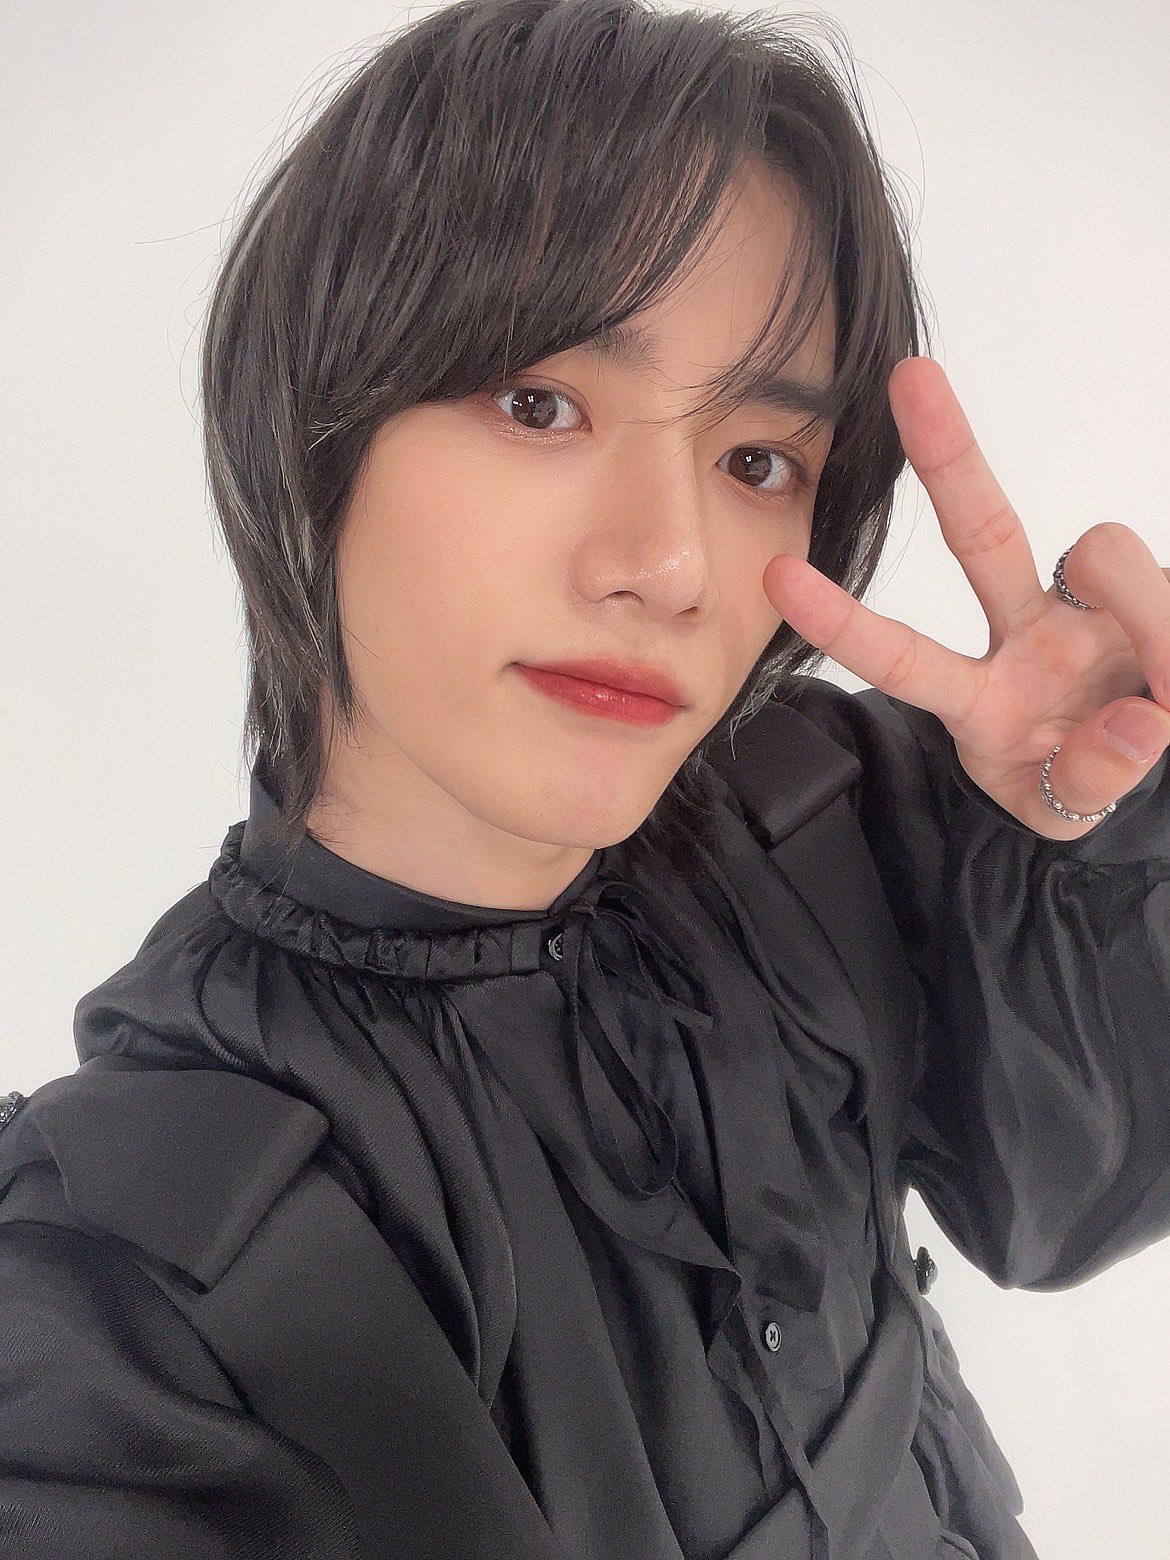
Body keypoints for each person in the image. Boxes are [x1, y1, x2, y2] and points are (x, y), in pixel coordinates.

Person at [0, 0, 1167, 1556]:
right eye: (539, 404)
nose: (669, 563)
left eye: (755, 461)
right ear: (313, 426)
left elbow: (1066, 1201)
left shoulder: (821, 807)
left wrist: (1089, 837)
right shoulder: (128, 1256)